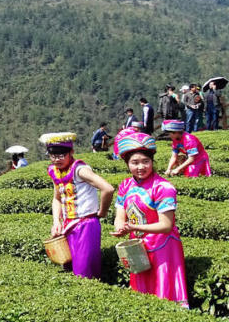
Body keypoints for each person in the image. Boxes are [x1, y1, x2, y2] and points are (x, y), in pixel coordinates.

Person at [111, 130, 188, 307]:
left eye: (145, 162)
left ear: (152, 162)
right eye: (135, 162)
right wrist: (120, 227)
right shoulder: (125, 185)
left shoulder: (163, 187)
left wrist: (132, 228)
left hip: (162, 247)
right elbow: (120, 215)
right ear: (127, 164)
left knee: (163, 294)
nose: (140, 167)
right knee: (141, 295)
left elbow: (166, 225)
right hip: (136, 248)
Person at [40, 132, 114, 280]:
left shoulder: (80, 170)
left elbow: (108, 188)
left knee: (84, 272)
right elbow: (57, 198)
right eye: (53, 155)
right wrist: (56, 222)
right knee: (69, 268)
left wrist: (102, 211)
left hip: (86, 224)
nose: (57, 159)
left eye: (61, 155)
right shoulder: (54, 171)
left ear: (71, 152)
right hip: (68, 225)